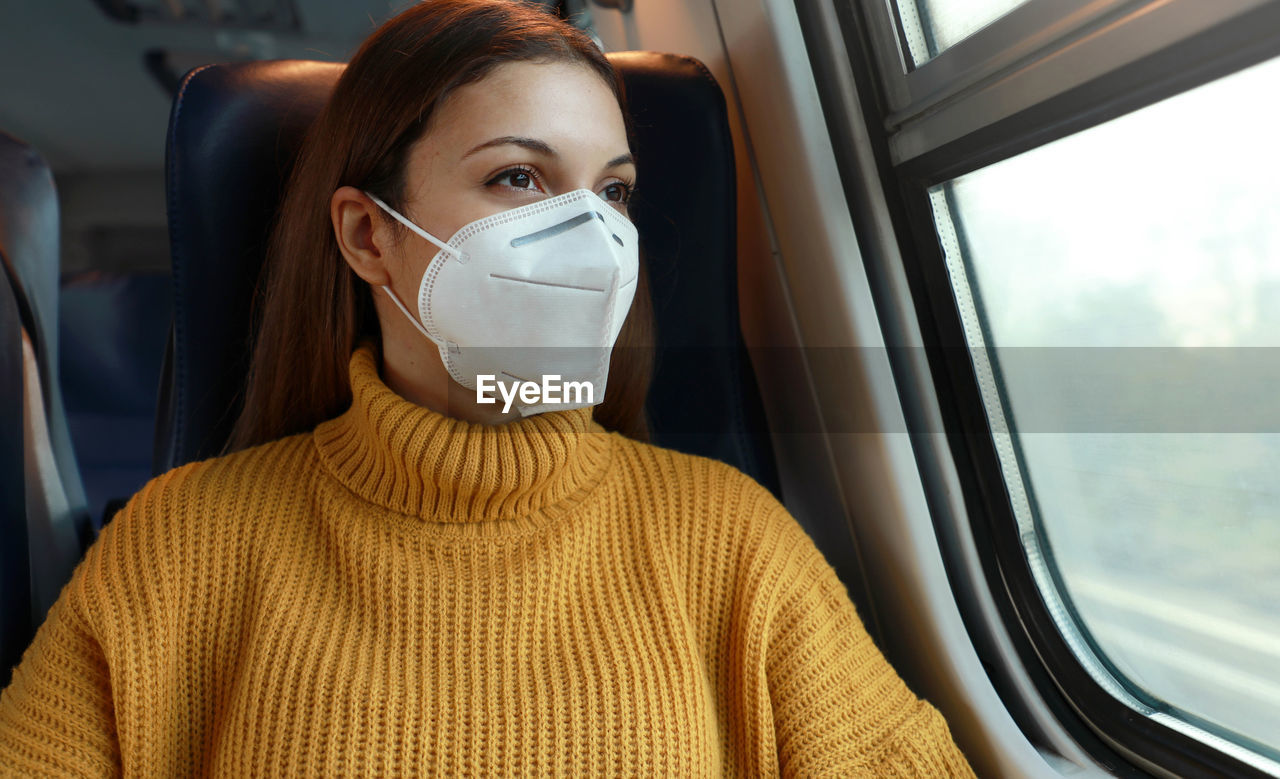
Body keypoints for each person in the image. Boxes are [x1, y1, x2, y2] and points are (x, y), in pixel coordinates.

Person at [0, 1, 975, 775]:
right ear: (367, 235)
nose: (591, 238)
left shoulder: (730, 542)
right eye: (517, 178)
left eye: (612, 192)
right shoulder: (177, 549)